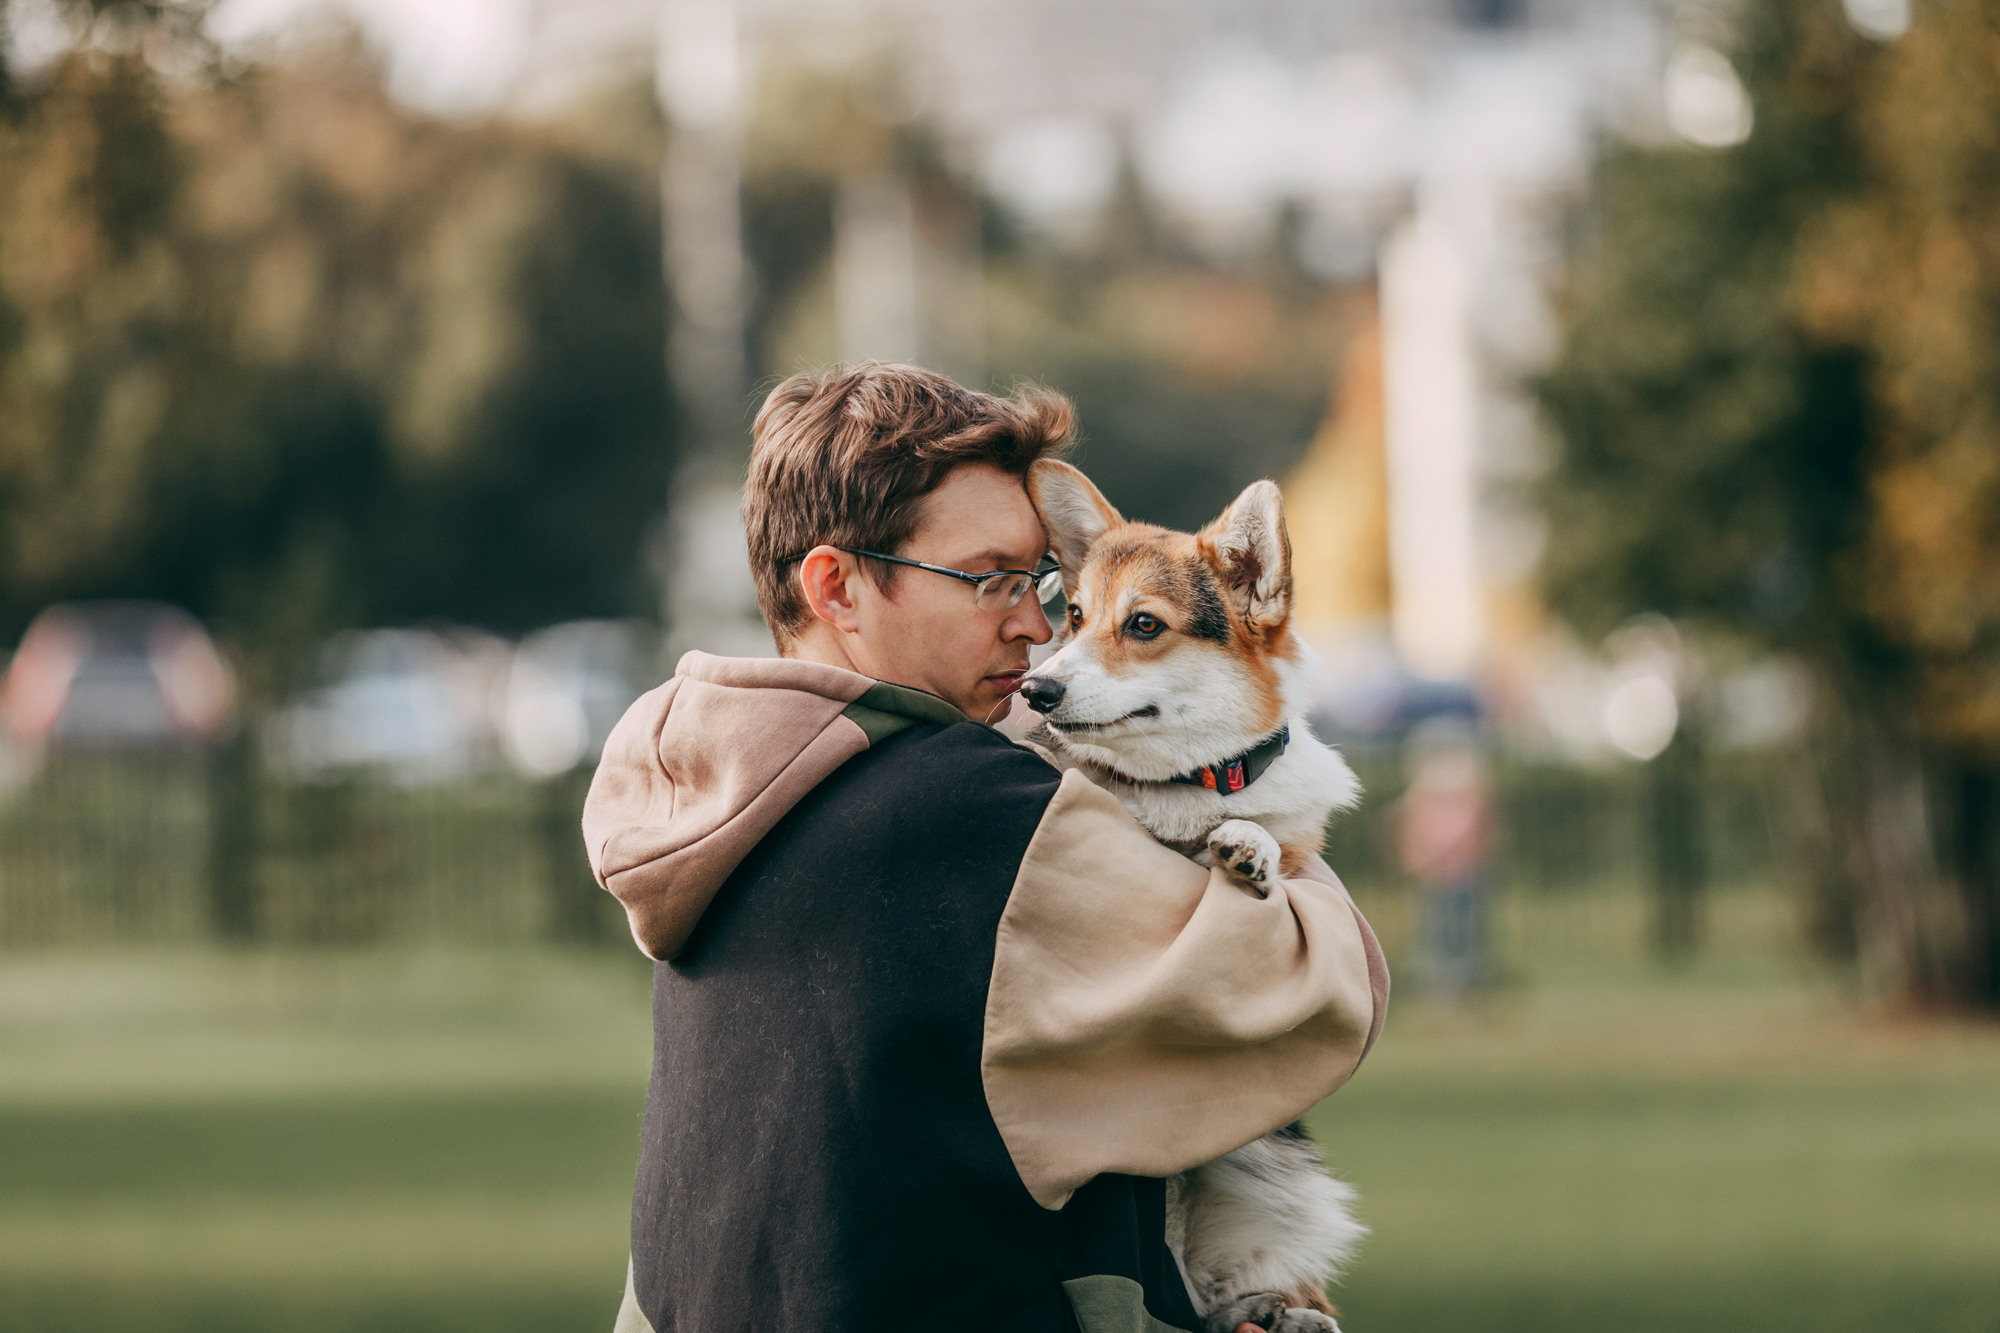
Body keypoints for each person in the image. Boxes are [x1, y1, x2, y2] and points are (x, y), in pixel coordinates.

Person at [583, 363, 1387, 1333]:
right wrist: (1247, 787)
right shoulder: (972, 816)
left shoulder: (718, 802)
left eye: (1041, 580)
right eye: (988, 579)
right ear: (835, 585)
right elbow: (1310, 998)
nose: (1038, 624)